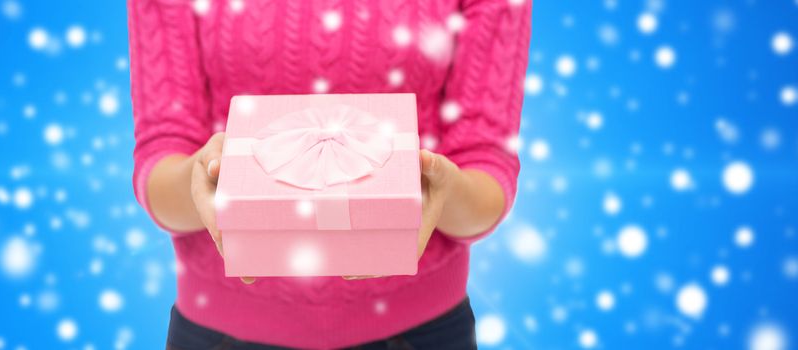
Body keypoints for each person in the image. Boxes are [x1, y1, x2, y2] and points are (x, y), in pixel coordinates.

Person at [129, 0, 530, 348]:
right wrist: (200, 178)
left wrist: (442, 188)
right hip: (219, 332)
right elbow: (162, 157)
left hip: (422, 331)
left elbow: (486, 167)